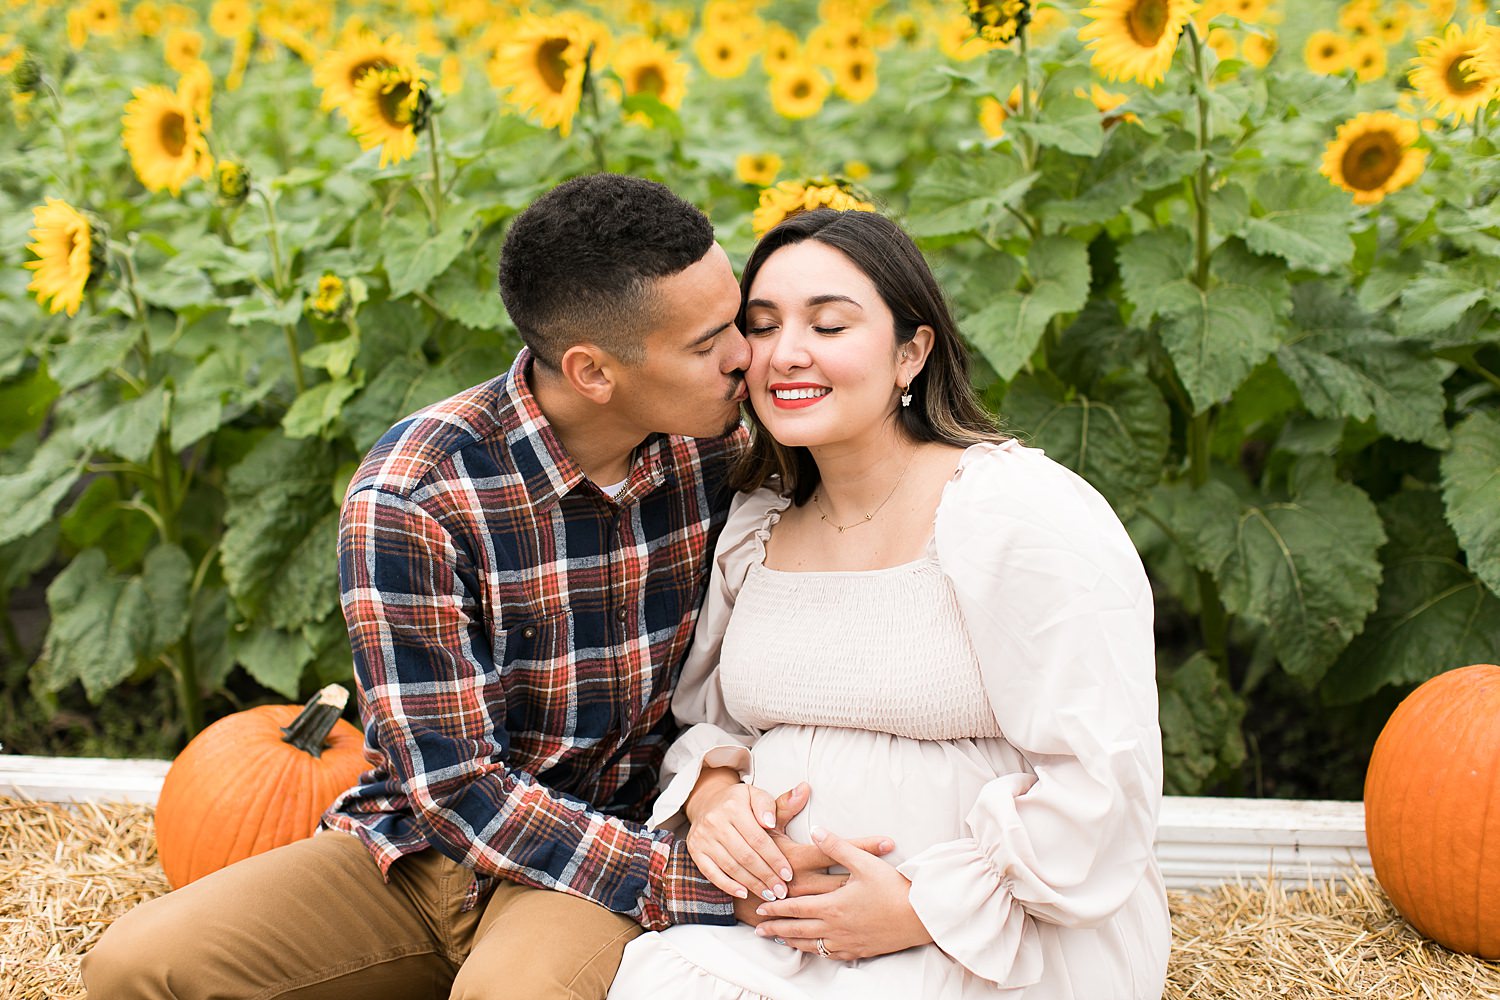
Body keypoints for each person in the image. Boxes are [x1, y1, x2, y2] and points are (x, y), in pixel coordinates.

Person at [82, 175, 879, 1000]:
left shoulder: (725, 448)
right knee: (133, 969)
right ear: (593, 372)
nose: (744, 356)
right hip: (426, 849)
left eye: (736, 322)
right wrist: (707, 888)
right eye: (708, 341)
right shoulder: (415, 496)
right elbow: (457, 788)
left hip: (601, 849)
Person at [607, 208, 1170, 999]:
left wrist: (926, 907)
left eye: (829, 325)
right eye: (762, 328)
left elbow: (1106, 775)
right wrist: (716, 794)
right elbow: (713, 726)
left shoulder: (1013, 510)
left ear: (913, 351)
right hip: (777, 931)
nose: (786, 354)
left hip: (998, 935)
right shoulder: (757, 524)